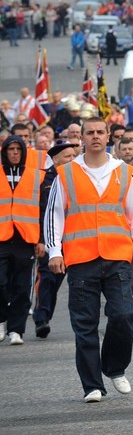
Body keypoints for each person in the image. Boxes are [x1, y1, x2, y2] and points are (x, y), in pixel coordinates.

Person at [44, 117, 133, 402]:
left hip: (117, 256)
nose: (95, 137)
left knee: (123, 314)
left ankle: (115, 367)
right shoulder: (66, 173)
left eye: (99, 132)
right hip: (80, 258)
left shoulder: (123, 172)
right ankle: (92, 385)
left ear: (108, 137)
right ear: (81, 137)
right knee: (85, 324)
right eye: (89, 132)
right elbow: (54, 216)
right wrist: (55, 252)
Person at [32, 141, 78, 338]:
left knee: (58, 280)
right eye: (67, 157)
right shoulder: (43, 179)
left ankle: (45, 314)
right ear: (55, 159)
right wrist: (41, 240)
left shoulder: (77, 177)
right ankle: (41, 318)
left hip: (74, 238)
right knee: (47, 277)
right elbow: (40, 212)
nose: (72, 160)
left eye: (74, 156)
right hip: (50, 237)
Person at [0, 135, 43, 345]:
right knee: (0, 283)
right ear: (5, 152)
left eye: (18, 149)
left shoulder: (36, 176)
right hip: (1, 238)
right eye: (11, 149)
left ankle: (16, 330)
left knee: (22, 287)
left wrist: (42, 240)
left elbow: (43, 211)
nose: (15, 153)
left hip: (25, 239)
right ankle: (1, 319)